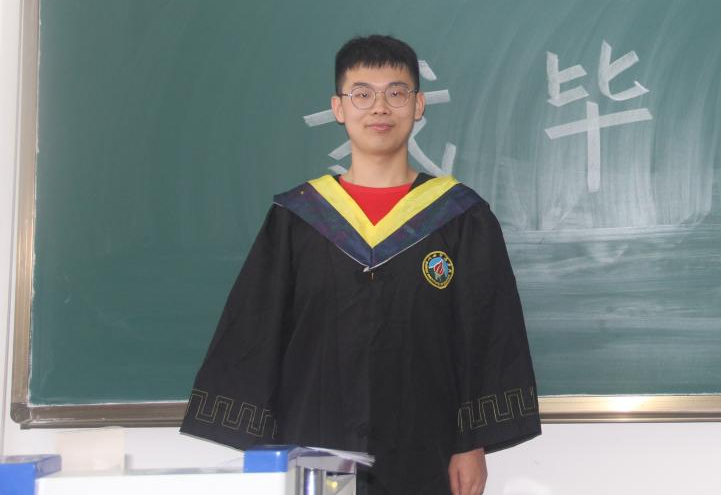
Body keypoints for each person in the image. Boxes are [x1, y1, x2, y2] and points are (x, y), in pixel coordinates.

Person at [180, 35, 541, 495]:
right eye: (362, 94)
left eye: (396, 92)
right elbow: (256, 327)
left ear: (418, 105)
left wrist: (471, 444)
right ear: (339, 108)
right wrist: (263, 448)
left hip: (425, 443)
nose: (380, 108)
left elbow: (486, 332)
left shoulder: (461, 216)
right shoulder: (298, 218)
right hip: (314, 442)